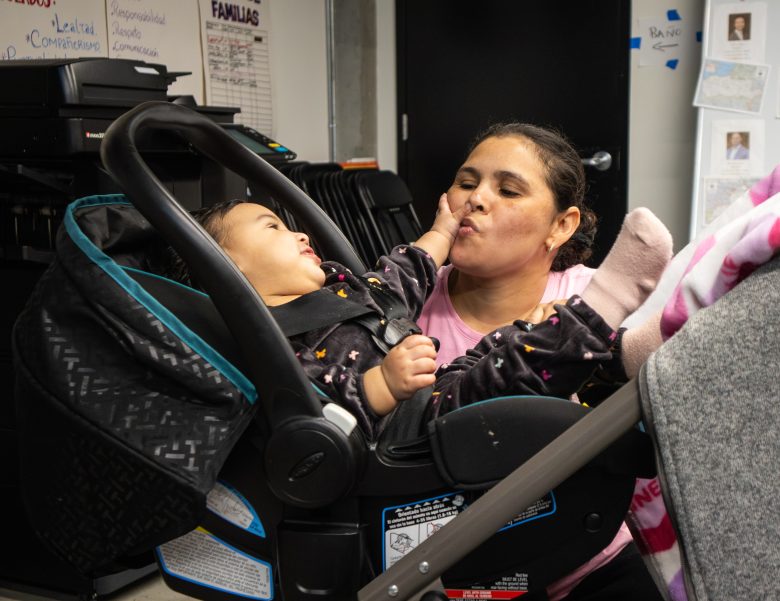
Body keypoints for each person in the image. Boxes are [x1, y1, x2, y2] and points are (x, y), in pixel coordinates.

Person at [167, 198, 670, 440]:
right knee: (502, 378)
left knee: (503, 344)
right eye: (273, 228)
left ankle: (620, 357)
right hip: (408, 437)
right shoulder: (266, 343)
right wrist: (382, 382)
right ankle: (602, 306)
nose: (299, 235)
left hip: (434, 389)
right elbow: (316, 413)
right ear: (228, 268)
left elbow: (406, 272)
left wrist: (443, 228)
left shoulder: (341, 290)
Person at [416, 123, 667, 601]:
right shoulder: (409, 301)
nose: (476, 199)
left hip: (591, 554)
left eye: (507, 189)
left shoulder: (597, 295)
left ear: (561, 225)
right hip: (464, 568)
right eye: (466, 183)